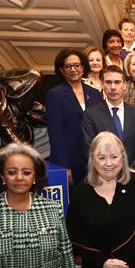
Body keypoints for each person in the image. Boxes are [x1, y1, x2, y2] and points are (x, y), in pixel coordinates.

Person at [66, 132, 135, 268]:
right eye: (101, 158)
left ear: (123, 157)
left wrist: (120, 265)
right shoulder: (80, 192)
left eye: (114, 157)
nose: (109, 163)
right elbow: (76, 236)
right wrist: (104, 263)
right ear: (92, 160)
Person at [0, 142, 78, 268]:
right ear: (3, 177)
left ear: (34, 177)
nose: (19, 177)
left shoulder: (53, 209)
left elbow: (67, 256)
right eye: (12, 172)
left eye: (26, 172)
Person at [46, 48, 103, 184]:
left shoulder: (95, 93)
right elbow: (56, 134)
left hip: (94, 160)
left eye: (76, 65)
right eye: (68, 66)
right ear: (61, 70)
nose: (73, 69)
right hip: (70, 161)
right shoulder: (55, 95)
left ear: (83, 67)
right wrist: (64, 167)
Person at [82, 65, 135, 174]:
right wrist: (108, 169)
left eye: (117, 82)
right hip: (104, 174)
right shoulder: (90, 115)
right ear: (102, 84)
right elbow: (90, 149)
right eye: (108, 82)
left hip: (134, 174)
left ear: (124, 85)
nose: (113, 87)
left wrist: (132, 169)